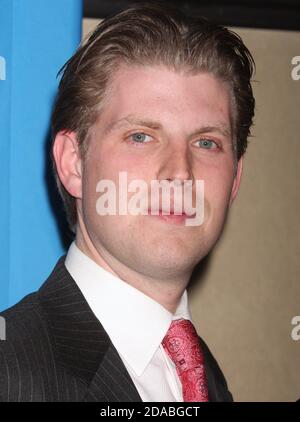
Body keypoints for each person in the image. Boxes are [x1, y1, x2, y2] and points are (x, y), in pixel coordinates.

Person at [0, 3, 255, 402]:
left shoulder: (204, 375)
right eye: (141, 136)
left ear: (235, 178)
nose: (180, 172)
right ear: (74, 163)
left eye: (207, 142)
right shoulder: (9, 368)